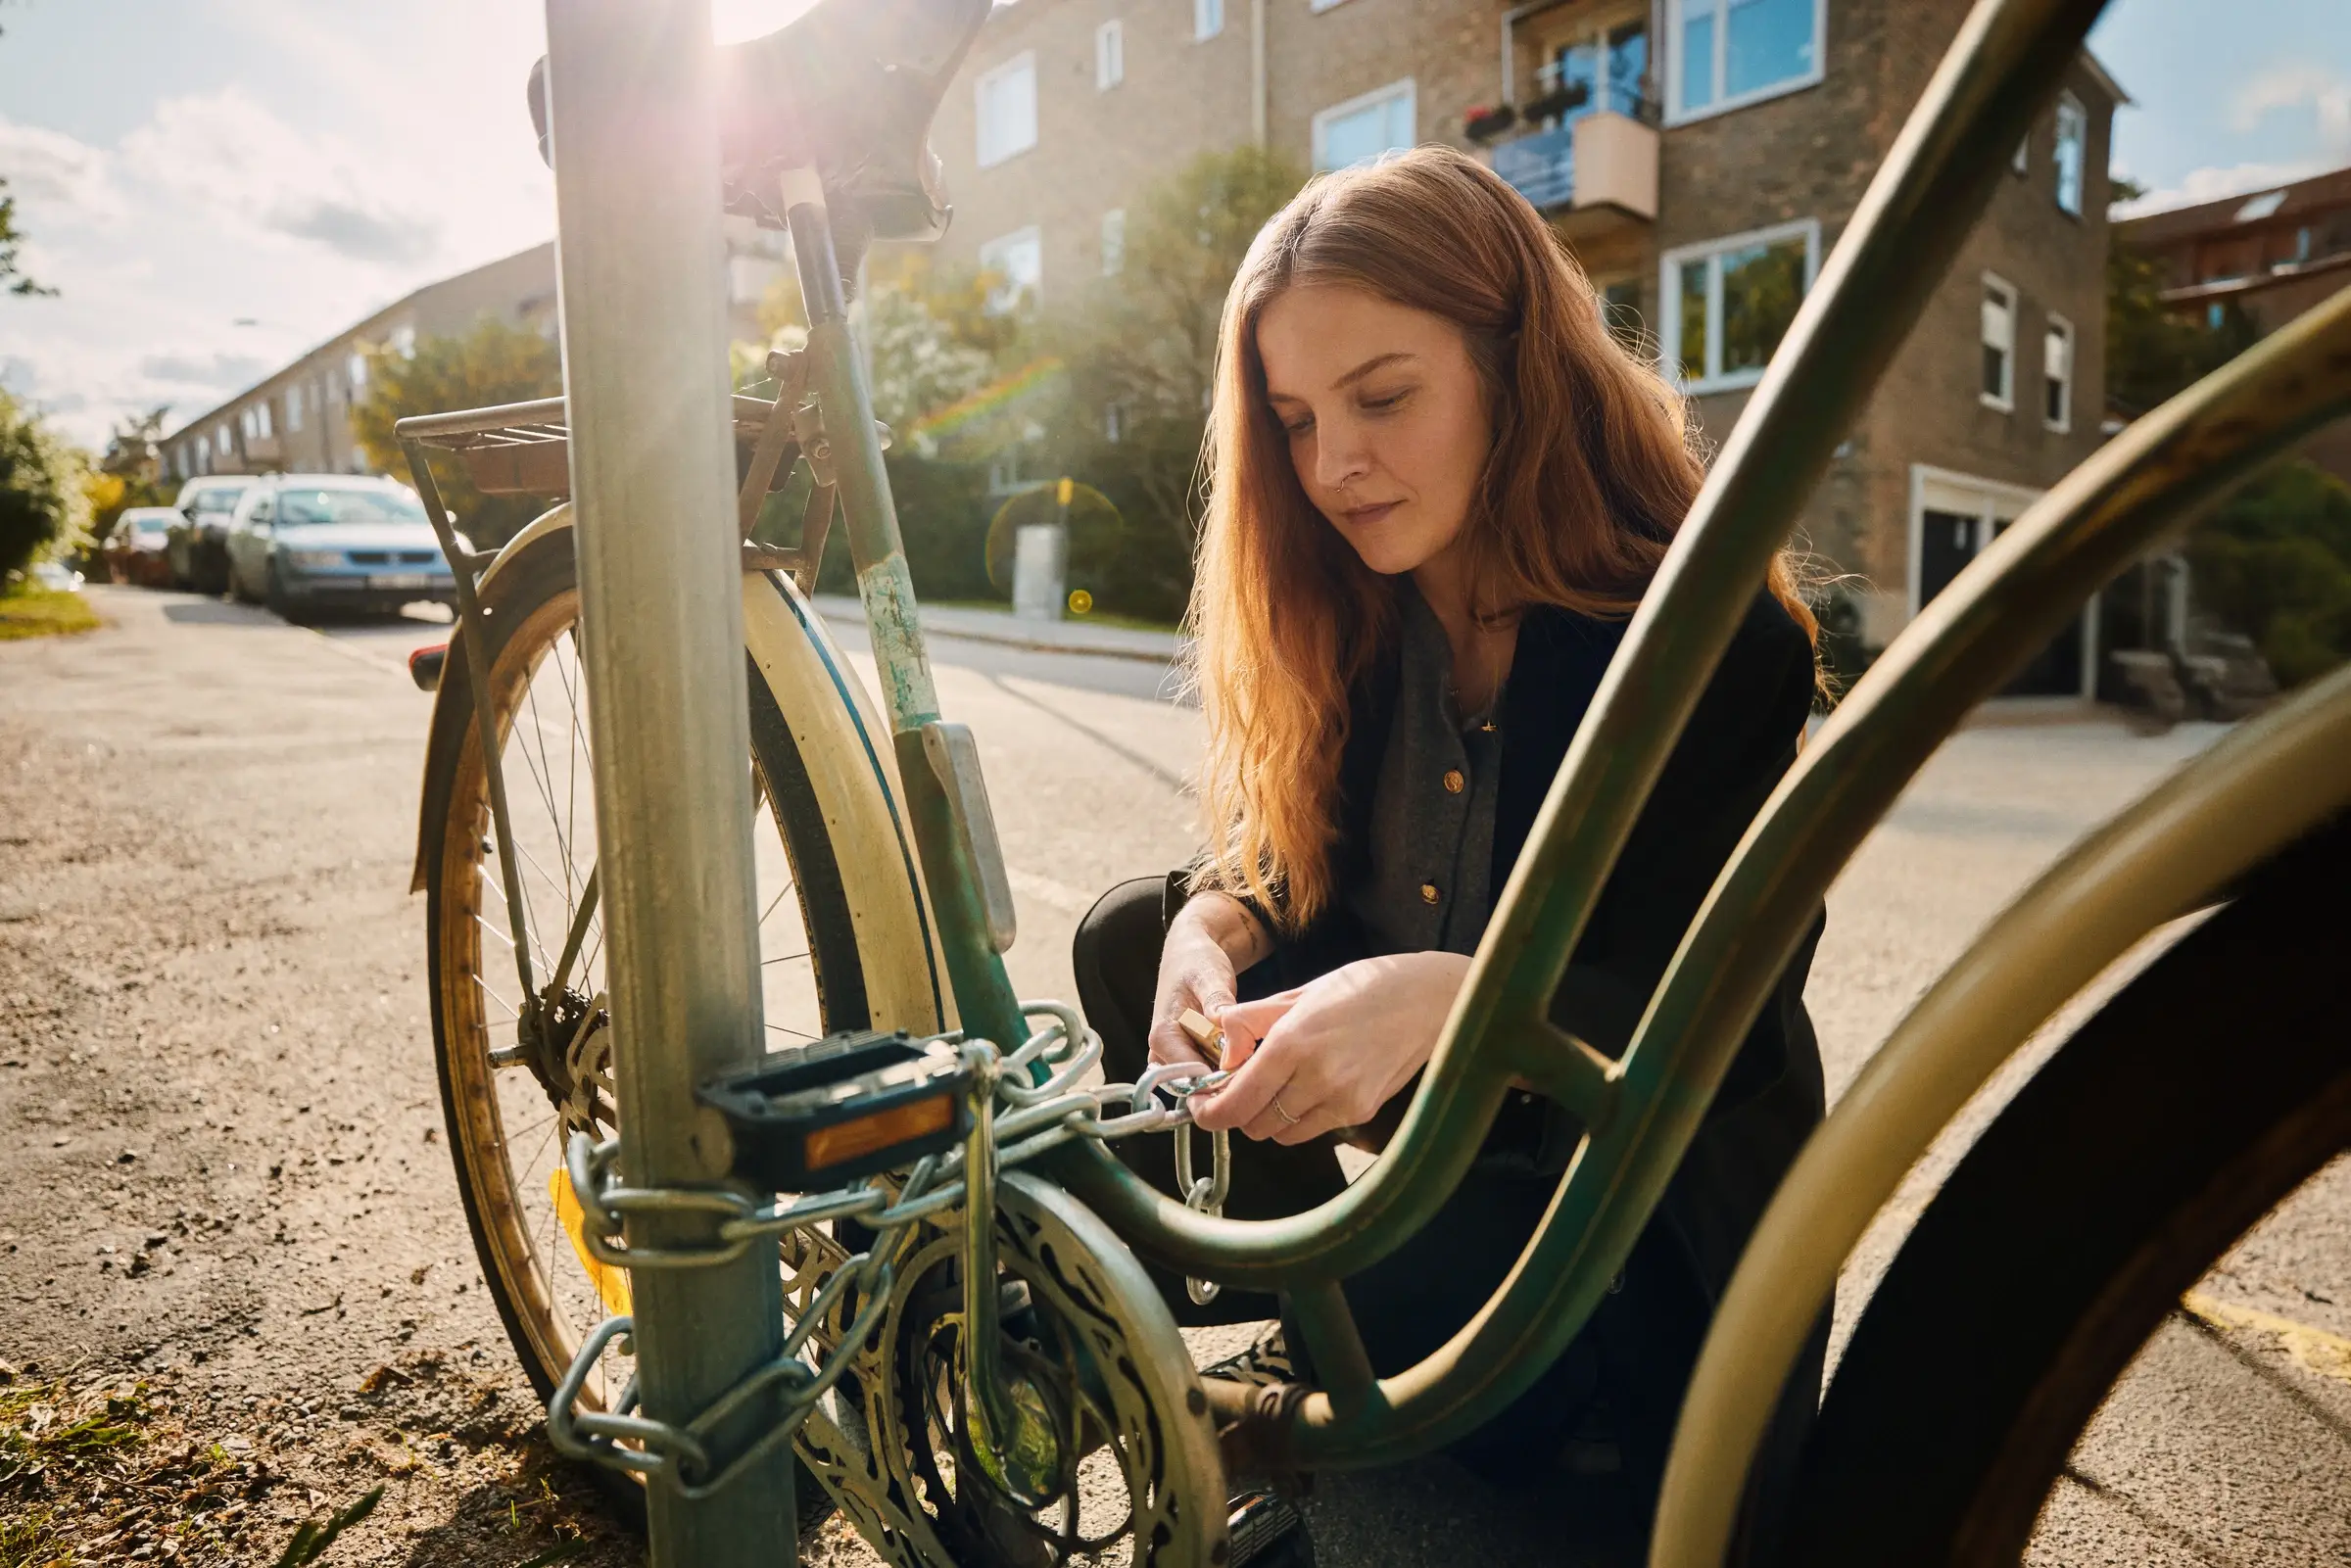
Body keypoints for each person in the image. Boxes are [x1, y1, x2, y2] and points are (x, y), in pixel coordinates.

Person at [1072, 145, 1828, 1555]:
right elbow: (1290, 858)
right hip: (1434, 1174)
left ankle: (1364, 1354)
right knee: (1132, 933)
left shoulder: (1712, 636)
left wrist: (1457, 1000)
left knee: (1447, 1308)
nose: (1333, 465)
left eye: (1384, 397)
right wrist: (1213, 928)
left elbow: (1723, 1016)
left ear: (1518, 366)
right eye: (1293, 419)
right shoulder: (1358, 605)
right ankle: (1325, 1324)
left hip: (1614, 1237)